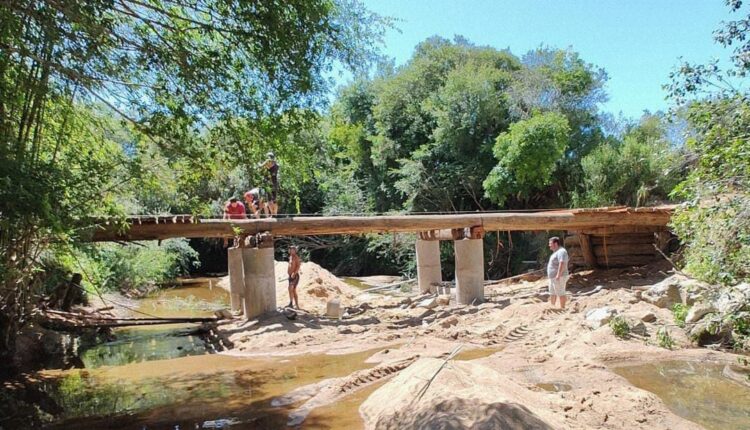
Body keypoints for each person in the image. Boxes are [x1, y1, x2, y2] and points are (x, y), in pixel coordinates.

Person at [547, 236, 569, 309]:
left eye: (550, 244)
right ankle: (553, 307)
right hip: (553, 277)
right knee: (552, 293)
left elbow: (562, 263)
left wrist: (558, 275)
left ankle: (563, 308)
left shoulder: (561, 251)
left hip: (559, 276)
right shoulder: (555, 252)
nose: (549, 245)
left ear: (555, 244)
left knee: (560, 292)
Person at [259, 152, 279, 217]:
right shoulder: (275, 165)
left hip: (272, 184)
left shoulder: (273, 165)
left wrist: (261, 163)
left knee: (272, 200)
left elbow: (260, 166)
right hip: (271, 184)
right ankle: (273, 214)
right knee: (271, 200)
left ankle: (274, 214)